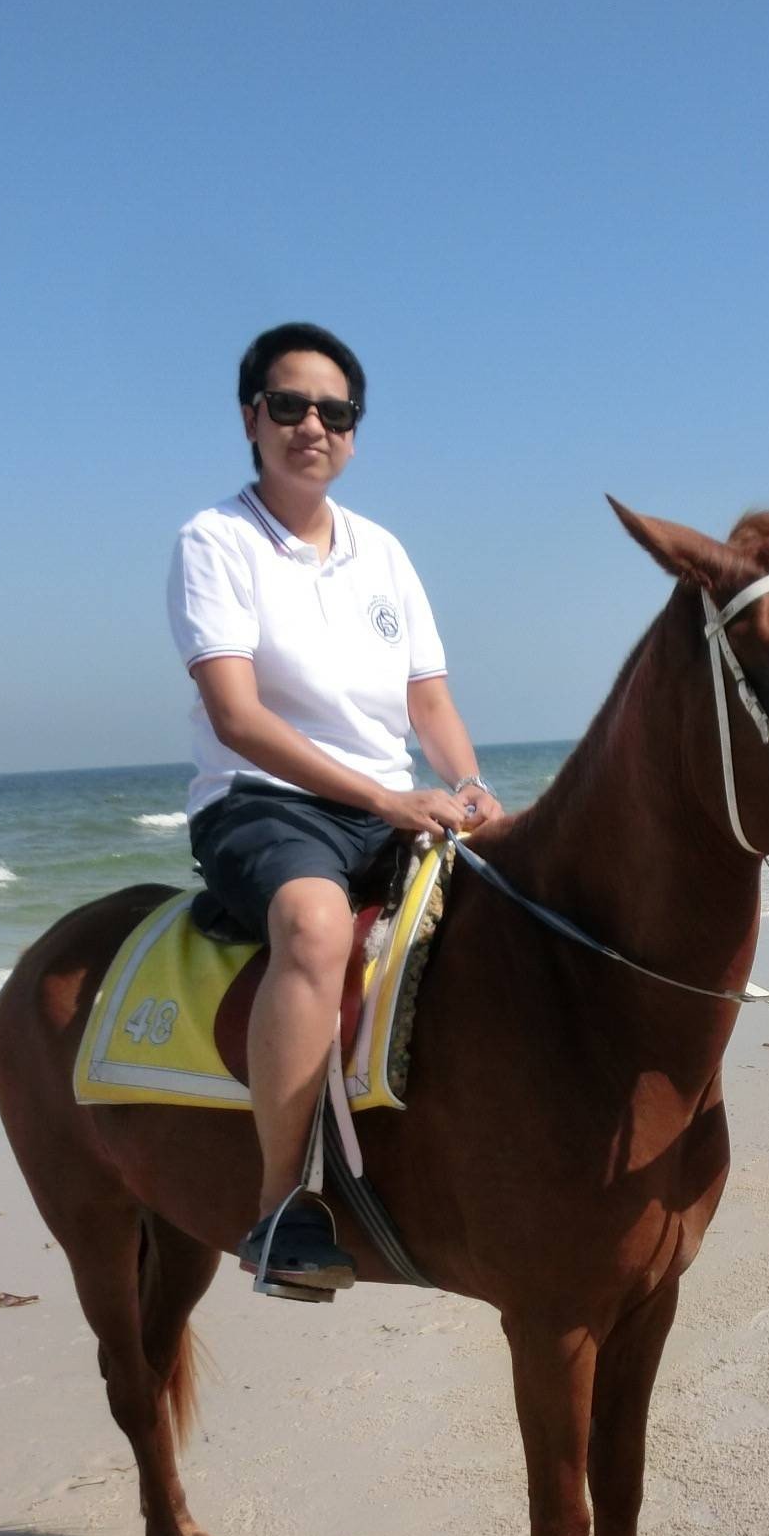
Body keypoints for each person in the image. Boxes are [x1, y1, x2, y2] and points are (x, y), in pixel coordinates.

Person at [168, 322, 502, 1297]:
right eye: (289, 405)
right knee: (315, 925)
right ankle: (280, 1211)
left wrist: (470, 783)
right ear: (251, 419)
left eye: (334, 410)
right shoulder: (216, 541)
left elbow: (427, 703)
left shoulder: (385, 553)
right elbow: (236, 715)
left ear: (354, 432)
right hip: (264, 802)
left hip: (388, 801)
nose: (312, 424)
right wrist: (383, 795)